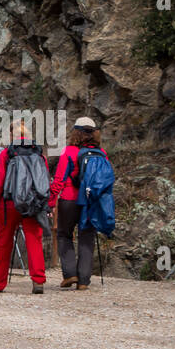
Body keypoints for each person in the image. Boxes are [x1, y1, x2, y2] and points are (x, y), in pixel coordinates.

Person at [0, 120, 48, 294]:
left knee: (4, 243)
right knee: (34, 240)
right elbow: (44, 181)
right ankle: (38, 281)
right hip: (33, 204)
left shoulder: (7, 153)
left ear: (10, 136)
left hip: (10, 204)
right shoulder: (38, 153)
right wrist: (47, 206)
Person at [50, 117, 106, 290]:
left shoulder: (68, 151)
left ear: (76, 132)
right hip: (90, 201)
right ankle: (83, 280)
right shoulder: (101, 153)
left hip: (69, 199)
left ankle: (69, 273)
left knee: (64, 235)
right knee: (87, 237)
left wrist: (51, 201)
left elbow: (59, 179)